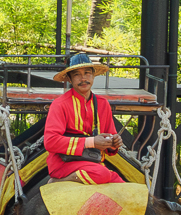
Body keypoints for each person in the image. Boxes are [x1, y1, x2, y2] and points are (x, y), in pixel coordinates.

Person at [44, 52, 124, 185]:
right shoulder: (59, 104)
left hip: (94, 163)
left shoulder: (103, 104)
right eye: (77, 74)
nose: (83, 78)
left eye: (87, 73)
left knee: (125, 189)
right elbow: (50, 142)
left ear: (93, 75)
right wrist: (91, 142)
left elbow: (110, 137)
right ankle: (59, 181)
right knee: (102, 174)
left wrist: (115, 142)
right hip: (64, 164)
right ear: (69, 79)